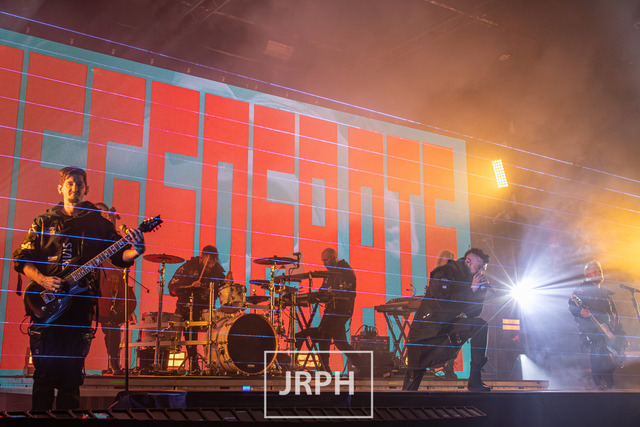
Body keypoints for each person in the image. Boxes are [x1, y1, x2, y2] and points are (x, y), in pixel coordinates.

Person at [13, 166, 145, 410]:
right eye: (70, 183)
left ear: (87, 189)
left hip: (79, 308)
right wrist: (43, 280)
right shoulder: (44, 221)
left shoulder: (97, 223)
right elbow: (21, 259)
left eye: (80, 184)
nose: (75, 188)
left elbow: (119, 256)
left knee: (71, 377)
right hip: (46, 306)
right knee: (43, 376)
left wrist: (136, 250)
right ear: (60, 188)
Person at [403, 248, 491, 392]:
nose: (480, 272)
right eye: (479, 267)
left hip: (446, 329)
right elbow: (443, 305)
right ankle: (401, 403)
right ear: (468, 262)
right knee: (412, 382)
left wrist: (480, 292)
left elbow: (473, 313)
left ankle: (475, 381)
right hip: (426, 333)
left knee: (479, 326)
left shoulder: (469, 280)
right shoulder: (444, 273)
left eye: (483, 268)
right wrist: (471, 290)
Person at [295, 248, 362, 372]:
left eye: (326, 260)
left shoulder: (345, 271)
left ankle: (324, 367)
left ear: (334, 258)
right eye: (323, 261)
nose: (324, 263)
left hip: (341, 311)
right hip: (332, 310)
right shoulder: (329, 274)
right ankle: (364, 367)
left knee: (323, 334)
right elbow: (323, 292)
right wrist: (312, 296)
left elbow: (344, 293)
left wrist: (324, 295)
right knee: (340, 342)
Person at [168, 245, 229, 374]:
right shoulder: (188, 267)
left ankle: (217, 362)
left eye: (213, 261)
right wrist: (190, 286)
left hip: (208, 308)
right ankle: (193, 362)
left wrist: (228, 284)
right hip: (187, 307)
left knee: (221, 328)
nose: (211, 264)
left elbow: (223, 289)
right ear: (202, 258)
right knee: (191, 327)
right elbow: (172, 287)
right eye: (209, 261)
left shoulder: (218, 271)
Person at [568, 260, 627, 390]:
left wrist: (620, 337)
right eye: (594, 272)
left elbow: (615, 318)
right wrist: (580, 312)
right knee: (599, 357)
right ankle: (599, 386)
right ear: (587, 275)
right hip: (594, 333)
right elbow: (572, 305)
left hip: (609, 334)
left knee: (609, 367)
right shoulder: (582, 290)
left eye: (599, 271)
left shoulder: (606, 294)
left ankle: (607, 388)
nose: (598, 273)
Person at [94, 202, 137, 375]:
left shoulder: (115, 237)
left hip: (113, 288)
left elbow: (124, 261)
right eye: (101, 214)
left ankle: (114, 362)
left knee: (113, 326)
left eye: (107, 215)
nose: (105, 218)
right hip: (91, 287)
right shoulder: (87, 236)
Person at [424, 249, 458, 380]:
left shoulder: (453, 277)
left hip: (449, 314)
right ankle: (437, 366)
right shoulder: (437, 275)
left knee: (457, 335)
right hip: (438, 316)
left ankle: (449, 367)